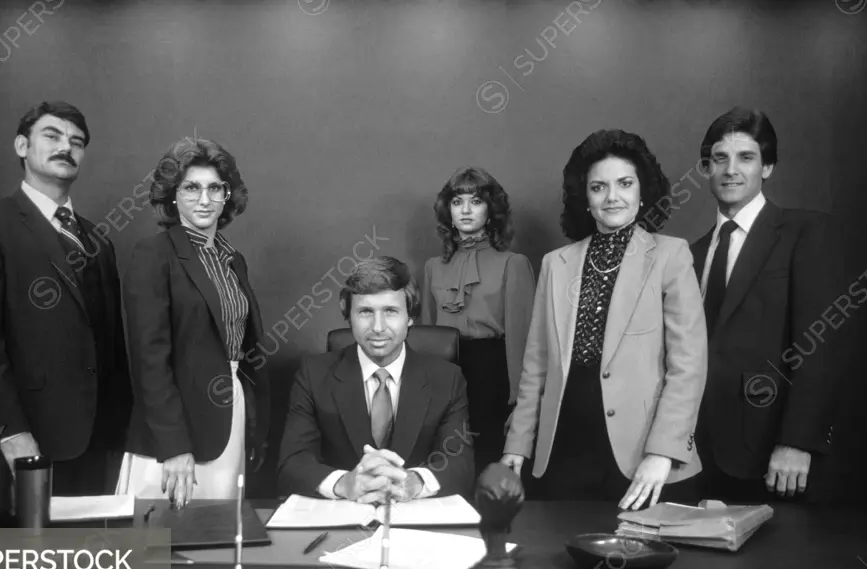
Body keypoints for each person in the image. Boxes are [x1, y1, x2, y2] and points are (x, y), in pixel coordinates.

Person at [502, 129, 707, 510]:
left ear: (642, 191)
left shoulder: (671, 256)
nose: (612, 197)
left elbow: (689, 365)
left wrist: (663, 452)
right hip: (563, 447)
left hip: (643, 454)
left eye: (624, 184)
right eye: (599, 187)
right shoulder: (555, 264)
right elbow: (536, 365)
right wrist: (517, 442)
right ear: (585, 199)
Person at [0, 101, 132, 496]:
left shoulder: (99, 240)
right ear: (21, 146)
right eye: (52, 135)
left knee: (92, 555)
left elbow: (112, 346)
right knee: (35, 556)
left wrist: (124, 434)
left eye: (77, 141)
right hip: (30, 439)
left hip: (99, 443)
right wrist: (11, 432)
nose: (66, 146)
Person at [691, 107, 843, 502]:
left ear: (768, 167)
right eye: (719, 158)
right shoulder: (692, 253)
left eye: (746, 157)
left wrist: (798, 441)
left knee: (775, 564)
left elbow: (819, 343)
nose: (730, 169)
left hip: (773, 455)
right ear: (706, 168)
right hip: (696, 455)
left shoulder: (804, 232)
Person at [116, 137, 269, 508]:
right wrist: (173, 447)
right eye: (191, 188)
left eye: (215, 188)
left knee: (216, 543)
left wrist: (254, 428)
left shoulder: (234, 259)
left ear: (226, 196)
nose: (204, 199)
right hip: (173, 430)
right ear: (172, 195)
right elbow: (149, 360)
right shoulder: (153, 254)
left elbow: (244, 351)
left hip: (228, 415)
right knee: (156, 554)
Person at [278, 257, 475, 503]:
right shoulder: (313, 374)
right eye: (365, 312)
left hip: (414, 521)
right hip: (344, 518)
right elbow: (292, 464)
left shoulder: (447, 379)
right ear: (348, 316)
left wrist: (412, 482)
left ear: (410, 317)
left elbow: (461, 464)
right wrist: (345, 483)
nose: (378, 327)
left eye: (390, 311)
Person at [421, 167, 536, 477]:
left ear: (491, 209)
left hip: (492, 374)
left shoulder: (513, 264)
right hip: (445, 373)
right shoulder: (433, 267)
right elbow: (426, 335)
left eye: (476, 201)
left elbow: (522, 339)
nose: (466, 210)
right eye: (458, 202)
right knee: (442, 462)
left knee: (487, 461)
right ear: (448, 210)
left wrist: (518, 402)